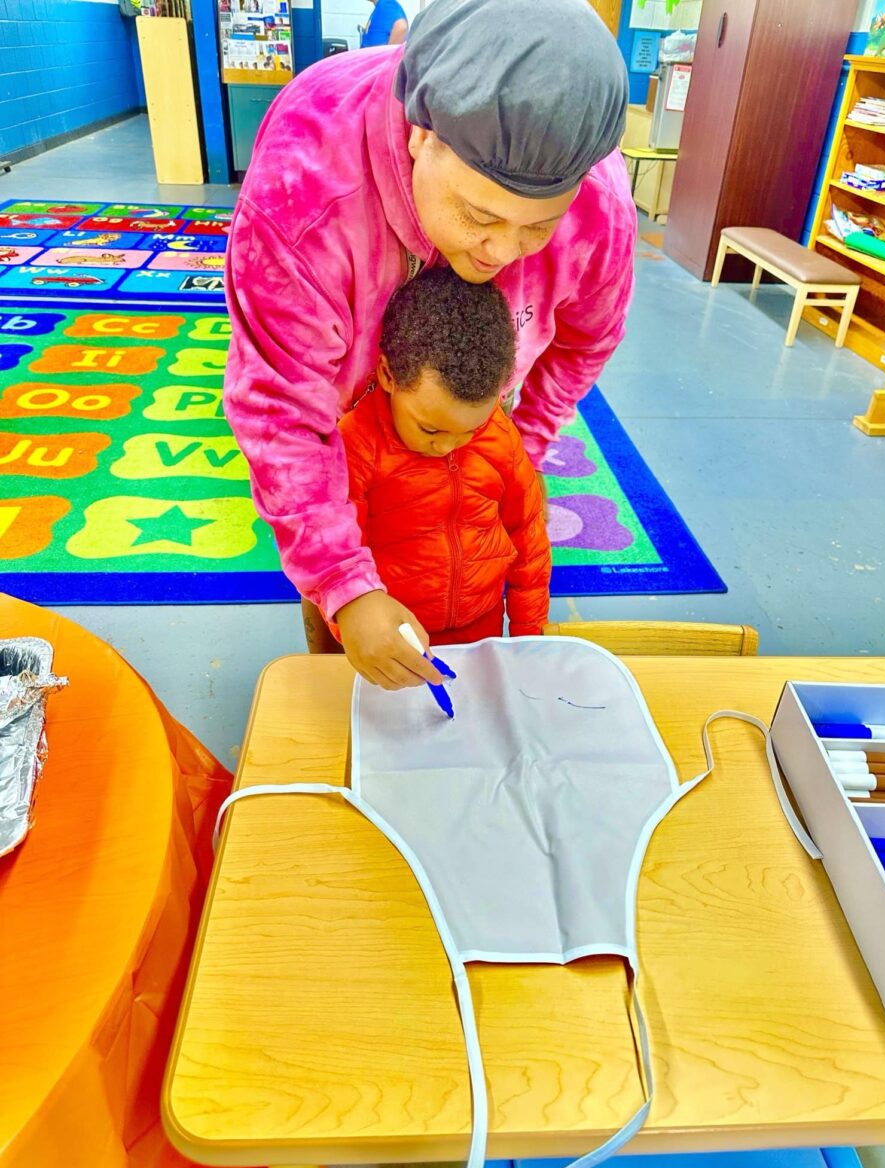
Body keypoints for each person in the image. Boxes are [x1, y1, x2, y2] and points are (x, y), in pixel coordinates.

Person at [224, 0, 635, 692]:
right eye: (479, 215)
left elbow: (583, 346)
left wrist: (513, 444)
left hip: (464, 410)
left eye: (536, 228)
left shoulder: (599, 211)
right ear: (420, 136)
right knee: (343, 623)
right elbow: (280, 408)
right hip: (347, 428)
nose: (502, 253)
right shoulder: (307, 183)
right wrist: (341, 586)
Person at [323, 269, 550, 682]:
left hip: (482, 633)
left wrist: (527, 639)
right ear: (389, 375)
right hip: (394, 641)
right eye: (431, 429)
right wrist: (353, 632)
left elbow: (529, 541)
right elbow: (331, 557)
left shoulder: (500, 437)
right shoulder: (356, 445)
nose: (448, 446)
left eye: (470, 429)